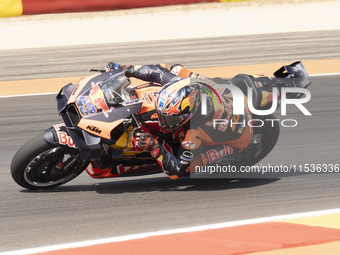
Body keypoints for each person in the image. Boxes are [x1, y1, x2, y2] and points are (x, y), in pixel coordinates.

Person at [106, 62, 269, 179]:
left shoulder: (194, 134)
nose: (164, 121)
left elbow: (175, 171)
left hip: (240, 137)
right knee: (176, 69)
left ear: (189, 115)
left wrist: (154, 146)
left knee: (187, 169)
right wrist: (127, 70)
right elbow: (157, 71)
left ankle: (230, 152)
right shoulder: (183, 82)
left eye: (170, 119)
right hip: (227, 96)